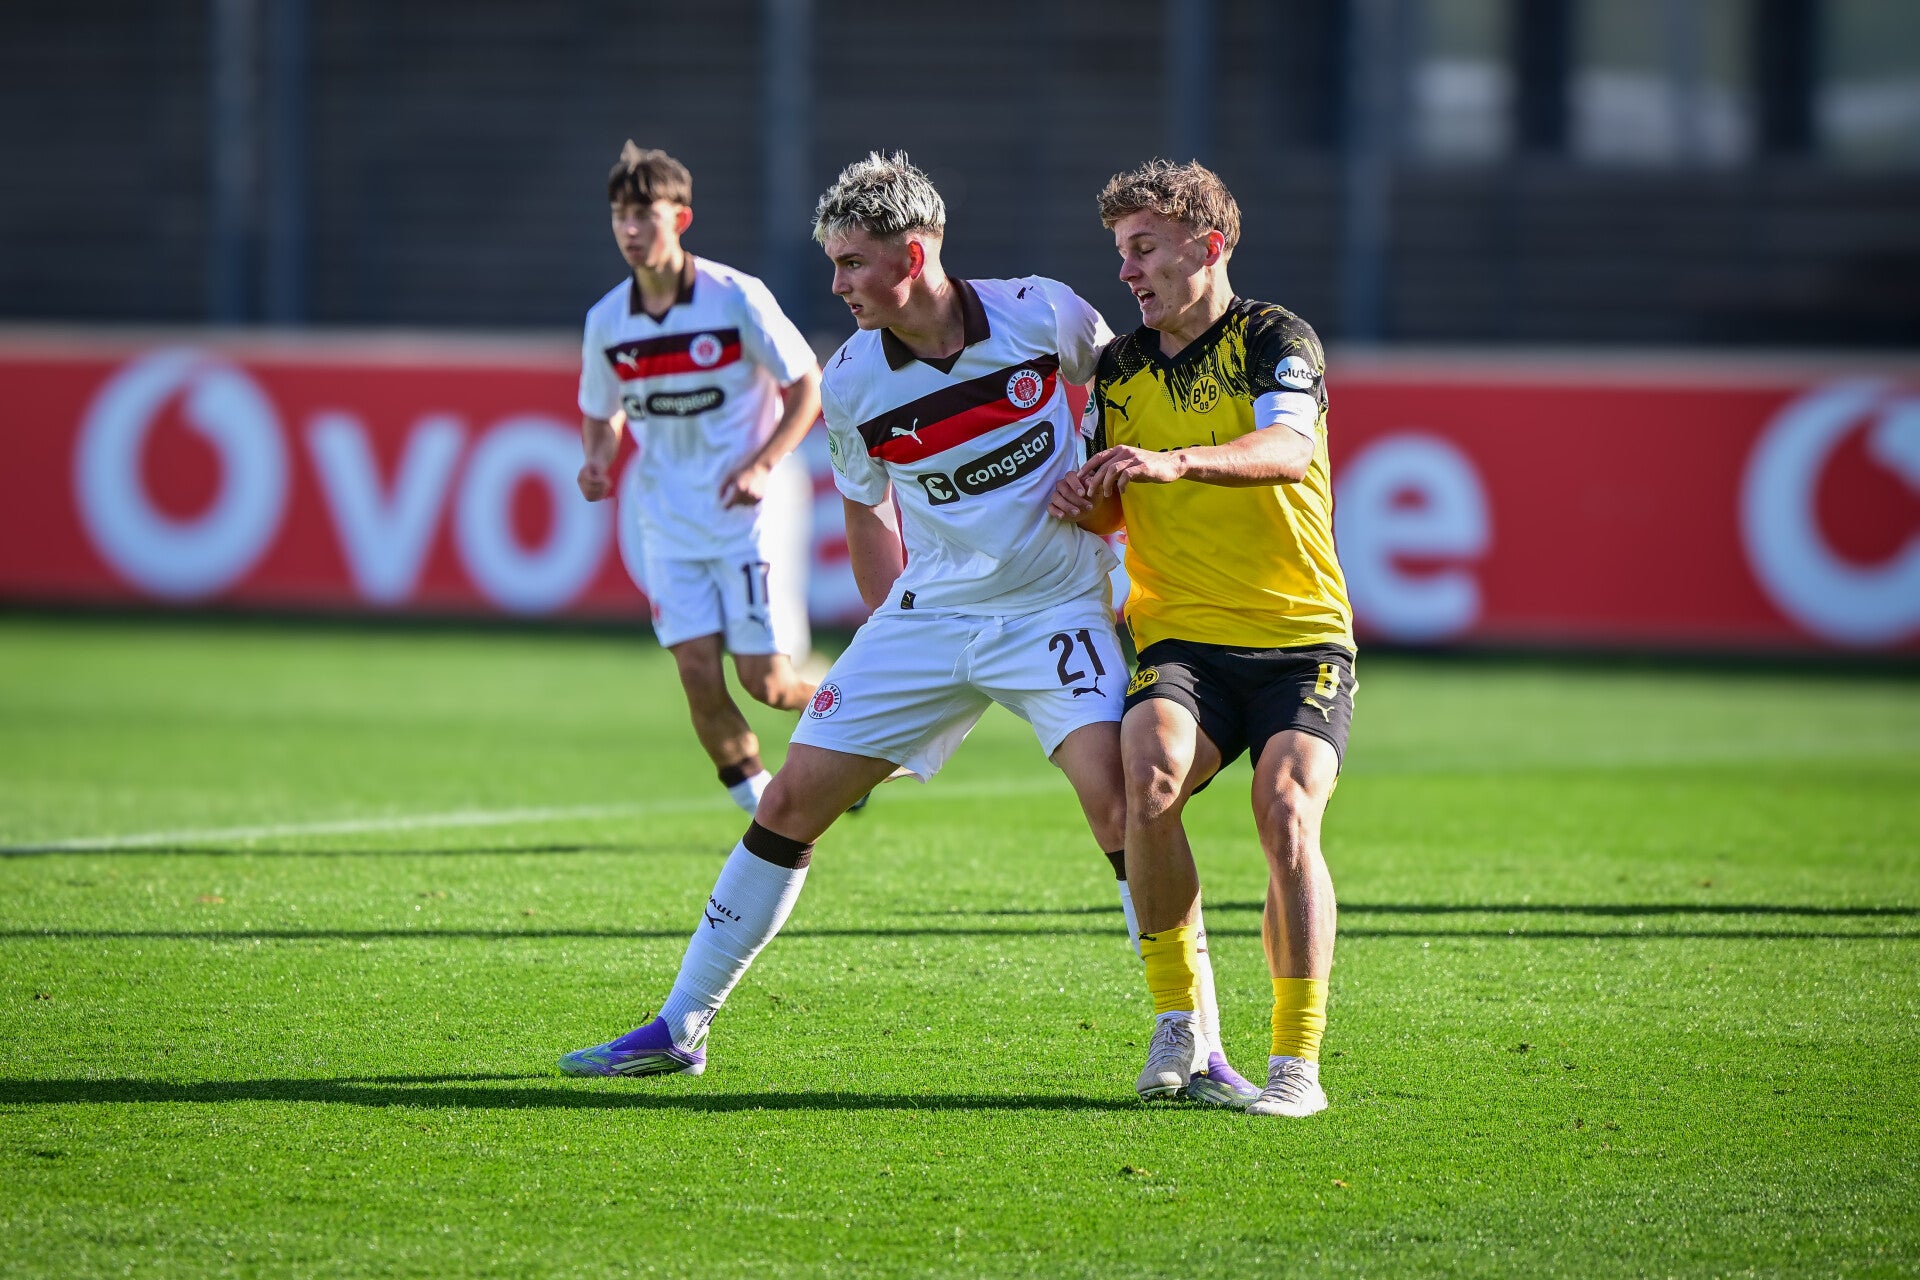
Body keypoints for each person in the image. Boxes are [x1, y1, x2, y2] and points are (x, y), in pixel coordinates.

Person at [561, 152, 1251, 1103]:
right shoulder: (851, 379)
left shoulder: (1041, 314)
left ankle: (1197, 1041)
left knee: (1121, 805)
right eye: (834, 264)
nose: (837, 284)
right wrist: (889, 633)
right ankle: (681, 1026)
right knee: (788, 803)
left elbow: (1135, 384)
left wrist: (1129, 486)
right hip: (929, 616)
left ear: (913, 256)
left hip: (1054, 610)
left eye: (852, 263)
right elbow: (865, 507)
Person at [1050, 159, 1356, 1117]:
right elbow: (1113, 497)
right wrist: (1084, 495)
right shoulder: (1120, 366)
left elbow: (1289, 449)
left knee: (1286, 811)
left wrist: (1174, 461)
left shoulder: (1274, 337)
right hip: (1180, 634)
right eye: (1120, 252)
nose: (1127, 271)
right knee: (1146, 784)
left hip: (1300, 636)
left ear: (1208, 245)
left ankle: (1296, 1064)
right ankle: (1180, 1020)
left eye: (1144, 248)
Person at [577, 142, 823, 817]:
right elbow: (600, 414)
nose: (630, 230)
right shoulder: (607, 321)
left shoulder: (736, 297)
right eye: (620, 216)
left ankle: (864, 733)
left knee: (769, 684)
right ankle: (767, 815)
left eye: (645, 216)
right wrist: (597, 458)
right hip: (668, 520)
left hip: (747, 514)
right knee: (695, 675)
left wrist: (762, 464)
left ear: (680, 219)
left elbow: (806, 384)